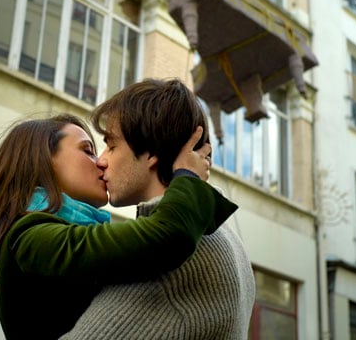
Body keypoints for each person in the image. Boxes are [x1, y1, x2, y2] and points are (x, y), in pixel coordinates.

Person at [0, 113, 238, 340]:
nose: (100, 161)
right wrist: (188, 177)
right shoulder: (29, 237)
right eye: (87, 150)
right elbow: (165, 237)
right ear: (43, 160)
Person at [61, 79, 256, 339]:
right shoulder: (224, 237)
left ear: (152, 150)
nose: (102, 161)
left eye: (112, 145)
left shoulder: (176, 251)